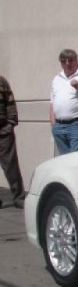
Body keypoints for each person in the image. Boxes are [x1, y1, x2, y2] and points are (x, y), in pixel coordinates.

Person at [0, 75, 26, 208]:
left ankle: (19, 197)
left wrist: (10, 123)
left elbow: (10, 102)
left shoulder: (1, 81)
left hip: (3, 131)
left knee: (11, 166)